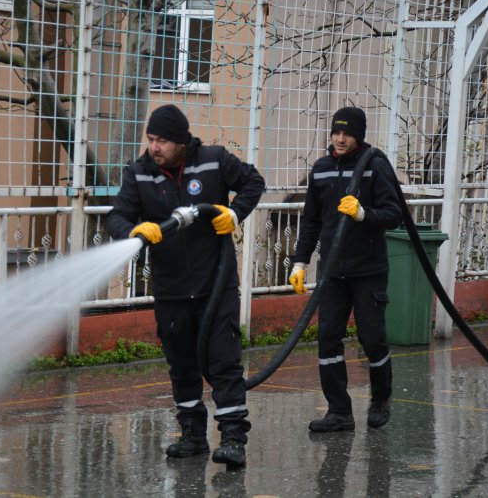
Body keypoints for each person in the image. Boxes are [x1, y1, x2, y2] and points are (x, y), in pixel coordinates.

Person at [106, 104, 265, 467]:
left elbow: (253, 182)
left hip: (216, 285)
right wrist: (131, 231)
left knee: (223, 362)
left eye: (161, 140)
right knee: (181, 364)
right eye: (150, 139)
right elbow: (118, 215)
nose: (154, 147)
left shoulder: (213, 161)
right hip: (171, 288)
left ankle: (233, 439)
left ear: (180, 141)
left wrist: (234, 212)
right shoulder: (139, 173)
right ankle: (193, 435)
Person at [288, 106, 402, 432]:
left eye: (347, 133)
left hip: (368, 270)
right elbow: (310, 220)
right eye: (336, 132)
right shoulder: (321, 169)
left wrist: (364, 214)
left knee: (372, 339)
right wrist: (300, 261)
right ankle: (339, 411)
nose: (339, 138)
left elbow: (394, 214)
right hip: (332, 272)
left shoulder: (375, 167)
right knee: (327, 339)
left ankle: (381, 399)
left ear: (359, 136)